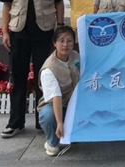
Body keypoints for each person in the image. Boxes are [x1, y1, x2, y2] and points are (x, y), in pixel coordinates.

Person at [0, 0, 66, 138]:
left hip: (44, 33)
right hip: (18, 33)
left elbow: (59, 2)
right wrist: (5, 31)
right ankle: (16, 122)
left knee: (43, 77)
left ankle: (42, 121)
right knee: (18, 78)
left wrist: (60, 27)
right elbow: (7, 4)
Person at [37, 25, 80, 157]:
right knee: (48, 115)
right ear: (54, 43)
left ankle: (73, 134)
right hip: (56, 105)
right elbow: (56, 96)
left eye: (69, 41)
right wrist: (60, 123)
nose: (65, 45)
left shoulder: (76, 56)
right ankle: (52, 142)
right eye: (61, 41)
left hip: (74, 103)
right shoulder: (48, 69)